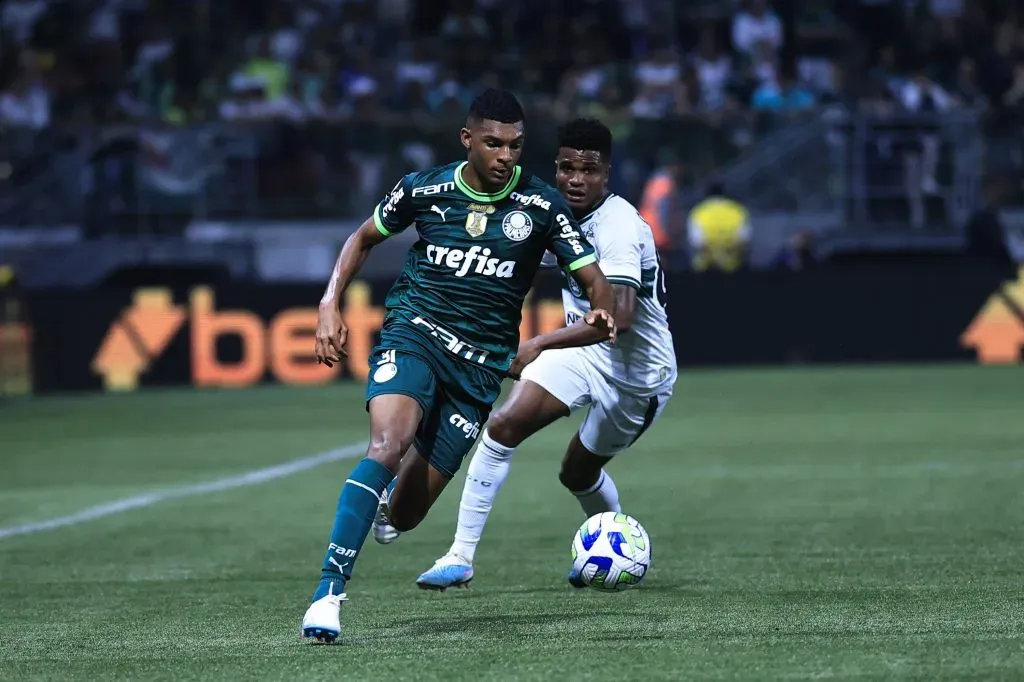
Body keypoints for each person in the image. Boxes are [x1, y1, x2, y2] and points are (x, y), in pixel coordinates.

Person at [302, 91, 617, 642]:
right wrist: (330, 302)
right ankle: (327, 596)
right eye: (494, 143)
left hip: (478, 374)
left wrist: (565, 332)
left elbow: (600, 298)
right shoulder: (425, 188)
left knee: (403, 517)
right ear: (467, 140)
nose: (506, 156)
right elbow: (362, 238)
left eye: (516, 145)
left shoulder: (542, 208)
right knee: (387, 443)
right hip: (415, 334)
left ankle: (383, 507)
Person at [406, 117, 677, 590]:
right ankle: (460, 556)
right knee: (504, 424)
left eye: (589, 170)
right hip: (581, 351)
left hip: (638, 376)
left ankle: (617, 547)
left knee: (576, 471)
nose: (576, 179)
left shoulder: (618, 225)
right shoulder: (550, 211)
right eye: (567, 168)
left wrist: (535, 344)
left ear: (607, 174)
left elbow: (619, 319)